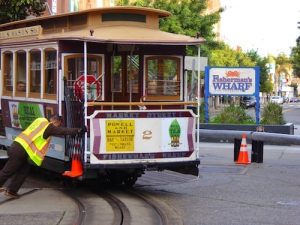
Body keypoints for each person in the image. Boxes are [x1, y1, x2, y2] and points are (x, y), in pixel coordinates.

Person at [0, 115, 87, 198]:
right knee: (8, 171)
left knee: (24, 170)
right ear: (56, 121)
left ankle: (12, 191)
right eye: (59, 124)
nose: (57, 127)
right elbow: (62, 131)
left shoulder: (40, 120)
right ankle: (11, 190)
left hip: (17, 146)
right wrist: (78, 130)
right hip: (20, 151)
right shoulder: (49, 127)